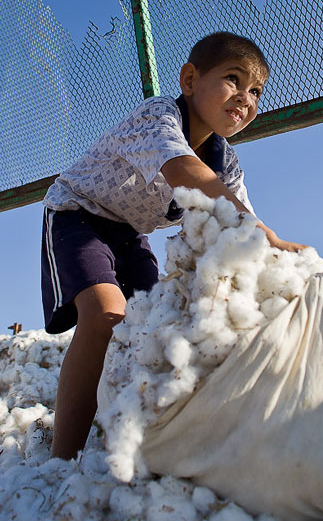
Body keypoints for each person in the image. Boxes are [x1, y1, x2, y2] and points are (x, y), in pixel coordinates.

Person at [42, 31, 308, 460]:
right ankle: (62, 458)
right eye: (233, 79)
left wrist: (271, 253)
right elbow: (186, 171)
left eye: (256, 90)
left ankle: (128, 435)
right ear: (189, 80)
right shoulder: (159, 117)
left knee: (148, 326)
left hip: (132, 234)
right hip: (79, 215)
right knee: (105, 314)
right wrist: (266, 234)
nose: (245, 97)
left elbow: (234, 218)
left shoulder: (228, 162)